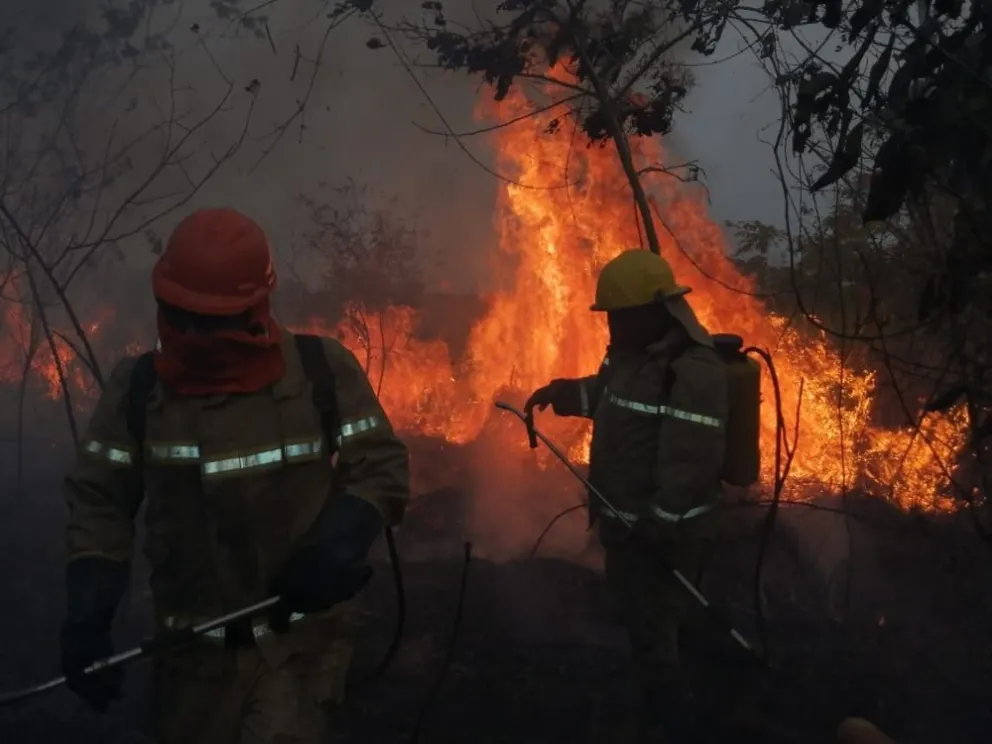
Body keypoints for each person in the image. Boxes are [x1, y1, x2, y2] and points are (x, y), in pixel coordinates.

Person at [60, 207, 410, 744]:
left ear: (254, 308)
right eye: (181, 315)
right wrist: (88, 615)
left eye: (211, 318)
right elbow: (99, 500)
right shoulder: (137, 392)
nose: (194, 332)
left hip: (294, 650)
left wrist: (335, 546)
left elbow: (380, 465)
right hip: (188, 661)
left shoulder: (320, 371)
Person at [525, 249, 727, 744]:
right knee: (640, 621)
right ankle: (663, 692)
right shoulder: (634, 358)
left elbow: (690, 465)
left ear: (656, 310)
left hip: (664, 533)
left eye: (620, 314)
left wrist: (657, 525)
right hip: (629, 525)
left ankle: (666, 721)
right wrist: (566, 394)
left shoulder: (693, 371)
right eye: (610, 315)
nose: (611, 325)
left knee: (657, 629)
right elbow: (613, 398)